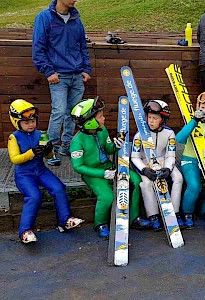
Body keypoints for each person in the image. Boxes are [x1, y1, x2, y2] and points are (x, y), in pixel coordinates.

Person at [70, 98, 149, 239]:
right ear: (90, 121)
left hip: (109, 167)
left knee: (136, 181)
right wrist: (102, 173)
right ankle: (100, 224)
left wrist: (117, 145)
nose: (104, 118)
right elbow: (78, 167)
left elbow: (109, 149)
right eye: (100, 116)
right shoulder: (77, 142)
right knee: (107, 196)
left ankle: (134, 218)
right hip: (92, 173)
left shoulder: (102, 130)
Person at [8, 99, 84, 243]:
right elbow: (15, 159)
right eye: (26, 122)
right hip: (24, 174)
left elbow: (50, 156)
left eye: (33, 121)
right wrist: (32, 152)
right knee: (34, 196)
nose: (31, 125)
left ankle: (65, 221)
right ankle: (25, 231)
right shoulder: (14, 138)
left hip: (41, 170)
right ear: (16, 122)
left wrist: (49, 151)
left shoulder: (41, 134)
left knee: (59, 187)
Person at [32, 0, 92, 166]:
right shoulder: (44, 17)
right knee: (58, 112)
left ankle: (67, 146)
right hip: (58, 76)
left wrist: (86, 69)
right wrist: (49, 71)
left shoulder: (76, 19)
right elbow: (38, 48)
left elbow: (82, 47)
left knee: (74, 114)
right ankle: (51, 150)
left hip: (77, 75)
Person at [131, 100, 184, 231]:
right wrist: (144, 170)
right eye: (149, 117)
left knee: (178, 178)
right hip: (144, 162)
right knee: (146, 183)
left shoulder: (169, 133)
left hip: (163, 160)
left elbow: (170, 155)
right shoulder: (139, 134)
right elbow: (134, 157)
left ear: (163, 119)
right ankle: (153, 216)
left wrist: (168, 168)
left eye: (155, 118)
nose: (151, 121)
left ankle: (175, 213)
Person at [176, 92, 205, 229]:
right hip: (189, 160)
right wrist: (194, 120)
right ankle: (187, 213)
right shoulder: (191, 122)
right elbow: (179, 139)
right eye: (202, 107)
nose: (204, 111)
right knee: (195, 185)